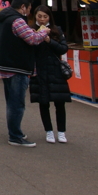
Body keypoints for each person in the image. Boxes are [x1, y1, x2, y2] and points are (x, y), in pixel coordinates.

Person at [0, 0, 50, 147]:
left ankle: (14, 131)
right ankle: (15, 136)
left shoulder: (5, 18)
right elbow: (32, 39)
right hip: (16, 66)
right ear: (23, 7)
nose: (29, 11)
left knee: (11, 102)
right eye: (30, 8)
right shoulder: (17, 20)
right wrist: (44, 31)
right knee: (17, 103)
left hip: (6, 65)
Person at [29, 14, 72, 143]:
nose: (42, 19)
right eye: (39, 16)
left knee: (60, 102)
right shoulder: (31, 30)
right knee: (43, 102)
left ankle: (61, 131)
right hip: (39, 70)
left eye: (45, 17)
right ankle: (48, 131)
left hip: (55, 70)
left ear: (49, 18)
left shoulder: (56, 30)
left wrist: (48, 40)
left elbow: (63, 48)